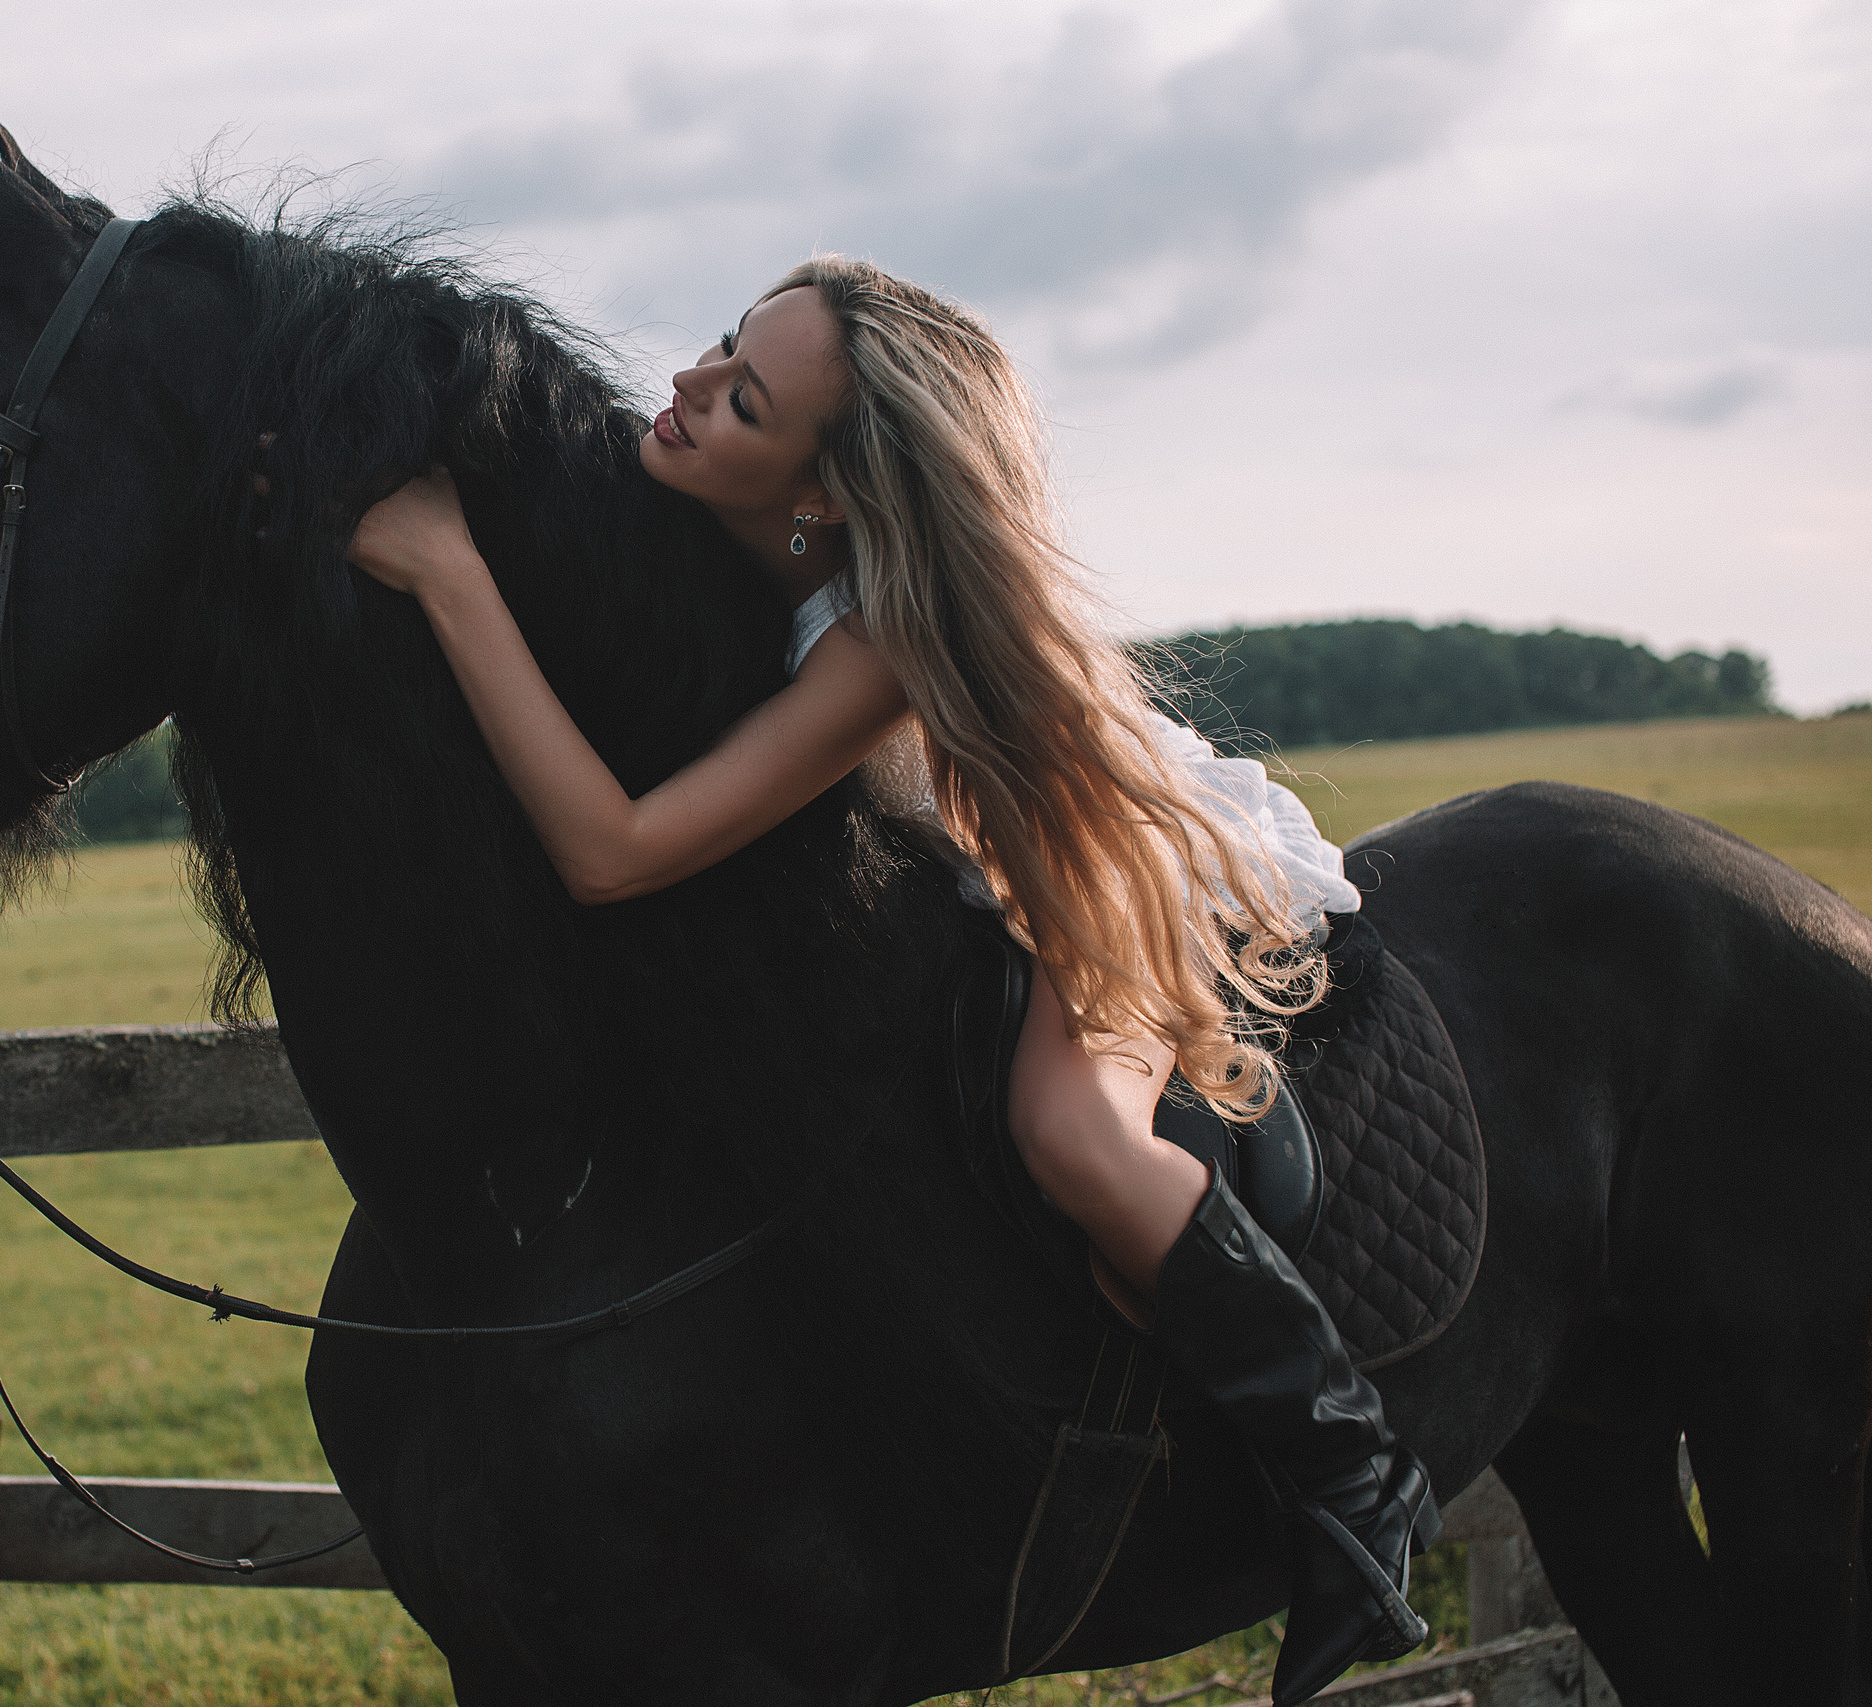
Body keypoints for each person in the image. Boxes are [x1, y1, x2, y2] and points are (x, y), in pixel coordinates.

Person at [342, 257, 1437, 1705]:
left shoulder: (879, 642)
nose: (684, 386)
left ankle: (1353, 1477)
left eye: (743, 400)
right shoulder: (716, 513)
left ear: (824, 495)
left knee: (1074, 1132)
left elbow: (615, 853)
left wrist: (447, 573)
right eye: (722, 346)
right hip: (969, 891)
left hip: (1105, 874)